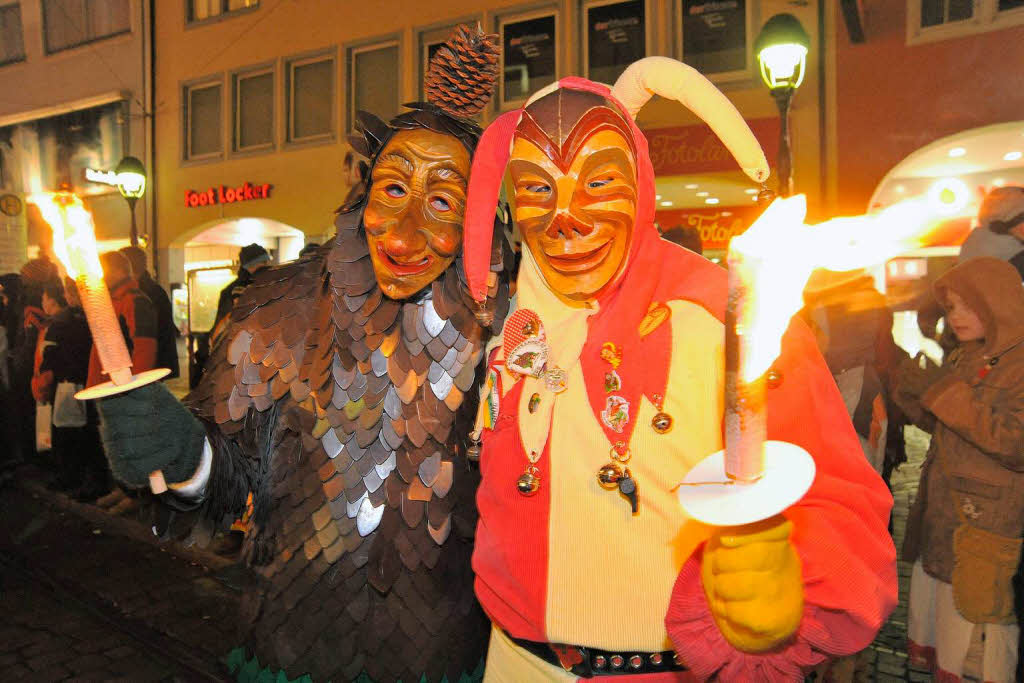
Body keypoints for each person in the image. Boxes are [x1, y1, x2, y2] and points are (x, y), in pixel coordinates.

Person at [93, 25, 512, 683]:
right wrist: (183, 456)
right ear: (364, 193)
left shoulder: (512, 330)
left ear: (477, 220)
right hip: (293, 649)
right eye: (395, 189)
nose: (404, 232)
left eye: (441, 200)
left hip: (446, 657)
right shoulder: (278, 311)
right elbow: (225, 486)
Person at [459, 58, 897, 680]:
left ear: (639, 183)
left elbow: (841, 504)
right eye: (537, 188)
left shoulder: (736, 319)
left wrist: (790, 580)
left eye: (598, 182)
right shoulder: (499, 317)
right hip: (513, 666)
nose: (567, 219)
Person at [895, 257, 1022, 683]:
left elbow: (1013, 443)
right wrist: (914, 395)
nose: (957, 317)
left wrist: (943, 393)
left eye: (969, 306)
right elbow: (950, 430)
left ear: (998, 304)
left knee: (981, 646)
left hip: (988, 530)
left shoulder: (1020, 364)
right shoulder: (967, 356)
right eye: (951, 308)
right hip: (949, 523)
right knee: (950, 644)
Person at [801, 268, 908, 479]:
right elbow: (885, 353)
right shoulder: (869, 302)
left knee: (857, 461)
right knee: (865, 464)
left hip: (852, 390)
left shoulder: (817, 305)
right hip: (858, 387)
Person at [34, 278, 108, 500]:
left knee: (71, 434)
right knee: (89, 433)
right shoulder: (94, 318)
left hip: (67, 383)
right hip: (90, 381)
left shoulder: (60, 323)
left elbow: (49, 358)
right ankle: (91, 479)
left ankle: (79, 479)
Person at [86, 250, 158, 389]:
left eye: (100, 270)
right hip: (105, 388)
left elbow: (144, 348)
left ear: (118, 272)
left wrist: (136, 389)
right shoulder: (110, 301)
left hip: (120, 390)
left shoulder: (135, 301)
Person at [121, 246, 180, 380]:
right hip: (156, 363)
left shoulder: (143, 293)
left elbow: (147, 335)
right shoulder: (154, 290)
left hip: (149, 365)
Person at [211, 242, 270, 339]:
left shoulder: (234, 289)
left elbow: (222, 326)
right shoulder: (277, 282)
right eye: (264, 262)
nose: (267, 265)